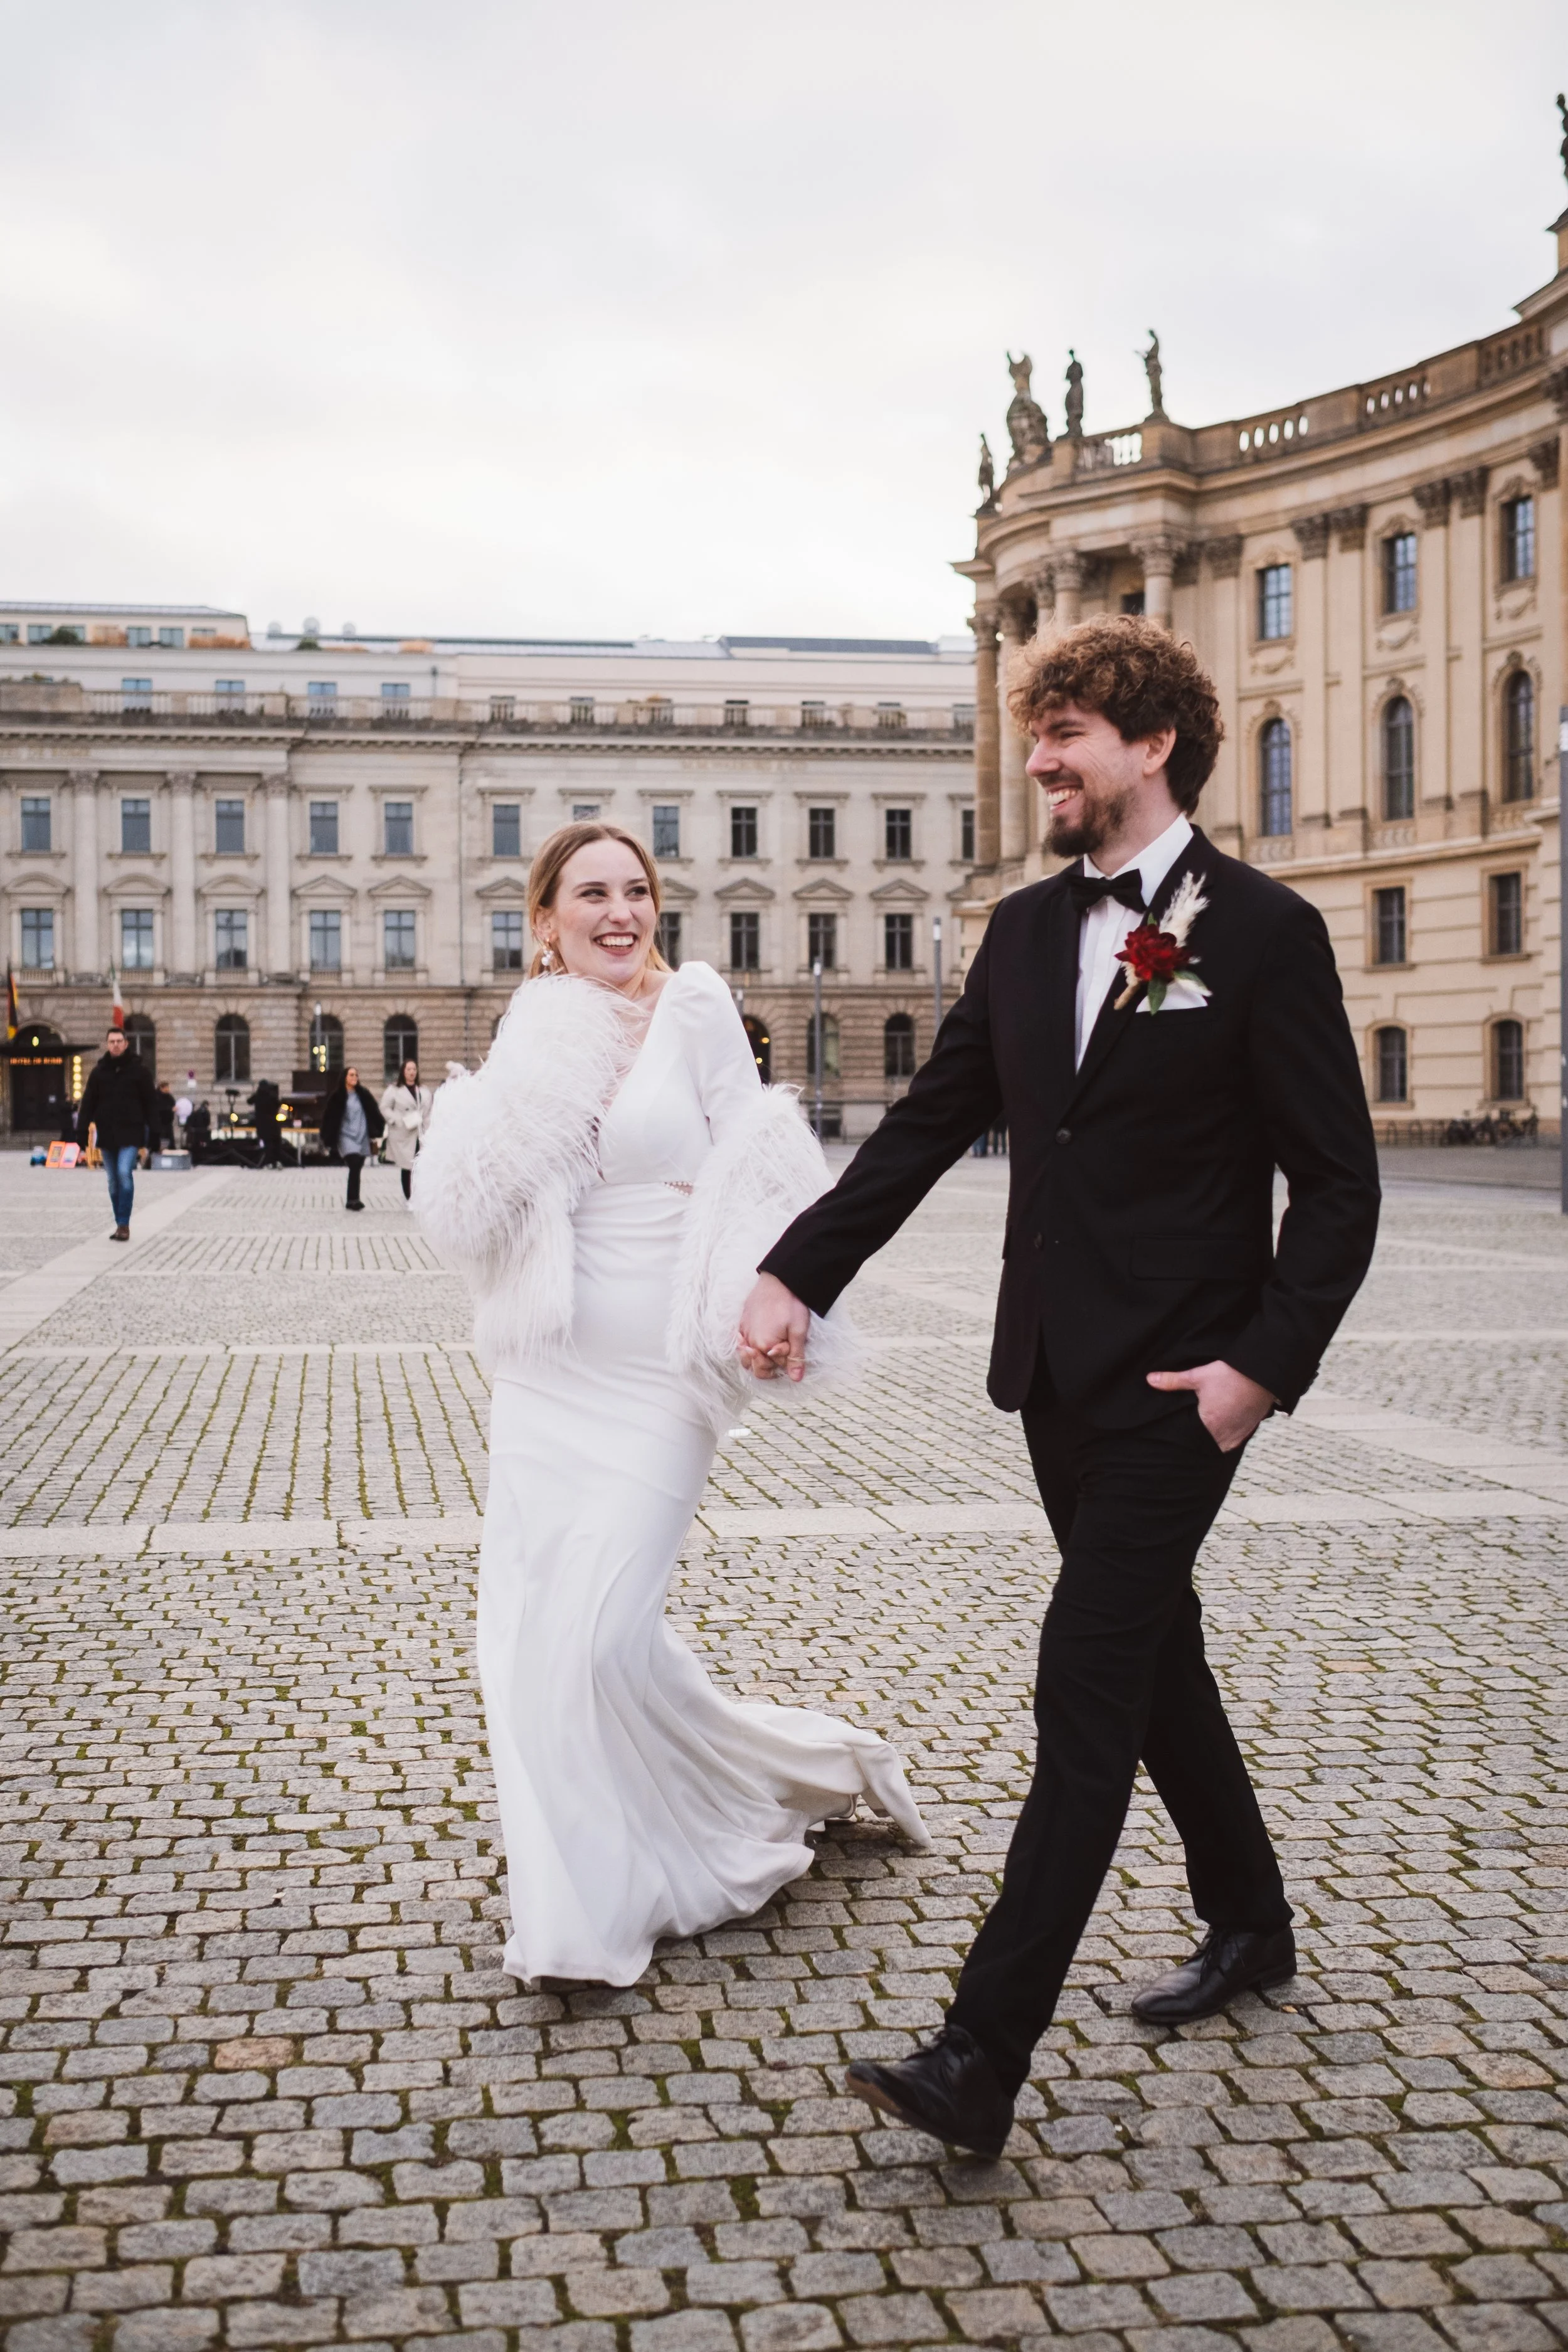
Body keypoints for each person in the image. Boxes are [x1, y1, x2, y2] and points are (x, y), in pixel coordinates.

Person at [740, 617, 1380, 2158]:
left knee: (1084, 1681)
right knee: (1158, 1656)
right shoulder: (1024, 931)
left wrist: (1256, 1372)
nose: (1038, 759)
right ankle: (1251, 1917)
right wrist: (796, 1267)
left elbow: (1340, 1186)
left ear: (1152, 743)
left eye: (1068, 731)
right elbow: (924, 1126)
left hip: (1184, 1386)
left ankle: (980, 2050)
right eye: (1036, 733)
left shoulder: (1266, 932)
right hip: (1051, 1377)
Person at [415, 819, 927, 1986]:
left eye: (635, 890)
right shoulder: (532, 1026)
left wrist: (775, 1304)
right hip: (547, 1375)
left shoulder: (697, 1007)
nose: (618, 912)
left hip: (656, 1378)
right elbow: (472, 1207)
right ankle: (581, 1909)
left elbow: (762, 1175)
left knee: (599, 1634)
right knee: (536, 1642)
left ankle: (762, 1788)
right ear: (543, 921)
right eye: (590, 895)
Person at [77, 1024, 159, 1240]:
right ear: (108, 1044)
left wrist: (156, 1133)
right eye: (112, 1041)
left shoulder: (139, 1072)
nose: (116, 1045)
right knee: (113, 1182)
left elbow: (151, 1103)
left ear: (126, 1044)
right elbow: (88, 1104)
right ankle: (119, 1222)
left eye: (119, 1041)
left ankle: (124, 1225)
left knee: (124, 1173)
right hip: (107, 1134)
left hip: (131, 1132)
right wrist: (80, 1132)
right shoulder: (99, 1072)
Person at [319, 1065, 384, 1209]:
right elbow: (329, 1117)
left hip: (362, 1134)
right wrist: (328, 1136)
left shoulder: (364, 1094)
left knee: (358, 1166)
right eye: (351, 1075)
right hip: (345, 1135)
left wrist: (378, 1129)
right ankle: (352, 1200)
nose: (355, 1078)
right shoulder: (337, 1097)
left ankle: (354, 1198)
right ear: (345, 1078)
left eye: (356, 1075)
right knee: (354, 1163)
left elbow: (374, 1112)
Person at [378, 1057, 432, 1201]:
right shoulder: (394, 1090)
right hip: (403, 1132)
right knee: (407, 1165)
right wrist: (396, 1119)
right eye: (409, 1069)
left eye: (414, 1069)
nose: (412, 1072)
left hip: (420, 1132)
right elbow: (384, 1107)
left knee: (421, 1164)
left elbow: (429, 1110)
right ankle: (409, 1196)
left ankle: (420, 1194)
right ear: (403, 1071)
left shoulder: (423, 1090)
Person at [248, 1077, 286, 1167]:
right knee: (276, 1143)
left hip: (262, 1124)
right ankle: (277, 1162)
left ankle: (269, 1162)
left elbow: (249, 1101)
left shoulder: (258, 1096)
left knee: (267, 1144)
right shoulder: (272, 1095)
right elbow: (278, 1104)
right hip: (273, 1123)